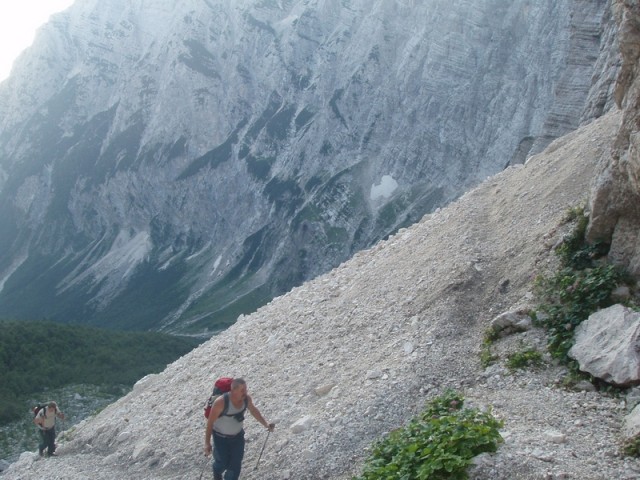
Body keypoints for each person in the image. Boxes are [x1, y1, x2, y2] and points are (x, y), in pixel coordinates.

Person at [204, 378, 274, 480]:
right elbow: (210, 423)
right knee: (222, 463)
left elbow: (254, 411)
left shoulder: (246, 399)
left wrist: (266, 424)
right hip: (220, 439)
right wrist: (207, 443)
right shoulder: (221, 402)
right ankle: (217, 472)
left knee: (235, 465)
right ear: (233, 391)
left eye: (245, 389)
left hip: (237, 438)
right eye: (242, 390)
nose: (245, 392)